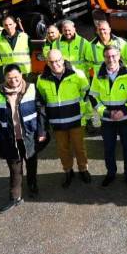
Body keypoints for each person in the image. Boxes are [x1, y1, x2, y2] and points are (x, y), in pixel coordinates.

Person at [0, 64, 47, 214]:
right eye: (9, 78)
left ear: (21, 75)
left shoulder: (32, 89)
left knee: (31, 163)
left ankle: (32, 185)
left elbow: (41, 111)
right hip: (9, 138)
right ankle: (15, 197)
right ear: (5, 78)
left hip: (29, 136)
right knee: (15, 169)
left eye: (16, 77)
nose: (13, 80)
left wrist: (42, 131)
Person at [36, 49, 91, 188]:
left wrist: (83, 111)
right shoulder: (41, 79)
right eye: (51, 62)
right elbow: (42, 101)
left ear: (63, 59)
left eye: (58, 60)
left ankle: (83, 169)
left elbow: (86, 92)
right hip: (57, 122)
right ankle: (68, 171)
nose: (55, 64)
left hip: (76, 119)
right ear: (47, 63)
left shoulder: (77, 74)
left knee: (79, 148)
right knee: (63, 149)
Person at [88, 45, 127, 187]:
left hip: (125, 118)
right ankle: (111, 173)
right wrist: (107, 112)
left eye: (114, 56)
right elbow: (93, 97)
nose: (111, 59)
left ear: (119, 56)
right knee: (109, 148)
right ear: (104, 57)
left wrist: (124, 111)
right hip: (107, 119)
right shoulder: (98, 74)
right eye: (108, 56)